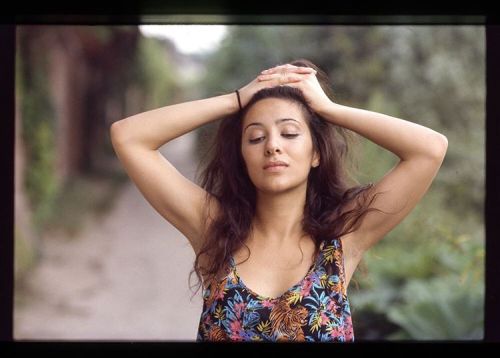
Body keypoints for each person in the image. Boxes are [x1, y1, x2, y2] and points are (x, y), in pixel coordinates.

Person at [110, 59, 448, 342]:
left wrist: (328, 110)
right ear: (242, 156)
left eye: (289, 133)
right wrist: (235, 100)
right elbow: (129, 137)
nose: (272, 145)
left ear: (316, 152)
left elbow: (429, 149)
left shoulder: (343, 236)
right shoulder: (214, 229)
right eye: (255, 137)